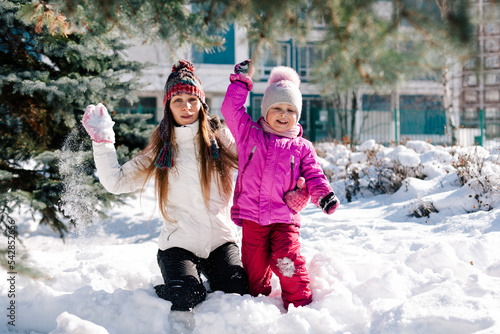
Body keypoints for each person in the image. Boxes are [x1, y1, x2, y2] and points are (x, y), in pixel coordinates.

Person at [82, 59, 249, 311]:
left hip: (220, 242)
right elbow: (116, 182)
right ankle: (164, 292)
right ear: (168, 106)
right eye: (178, 100)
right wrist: (103, 141)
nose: (186, 106)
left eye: (192, 99)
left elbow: (254, 161)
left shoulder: (219, 138)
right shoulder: (162, 148)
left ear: (201, 103)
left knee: (237, 292)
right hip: (178, 245)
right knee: (186, 297)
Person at [220, 59, 339, 309]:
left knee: (287, 260)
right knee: (254, 272)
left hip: (285, 219)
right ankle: (258, 309)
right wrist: (241, 81)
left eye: (290, 110)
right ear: (265, 110)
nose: (284, 114)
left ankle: (301, 306)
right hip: (253, 217)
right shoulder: (249, 134)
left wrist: (323, 195)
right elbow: (230, 109)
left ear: (297, 115)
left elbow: (315, 176)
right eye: (277, 108)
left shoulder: (302, 147)